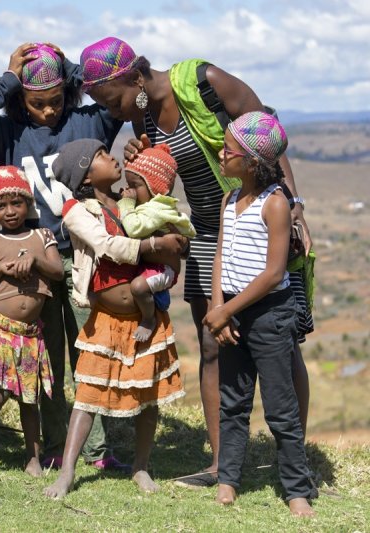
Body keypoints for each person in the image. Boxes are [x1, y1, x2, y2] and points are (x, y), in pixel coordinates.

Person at [79, 36, 314, 485]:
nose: (113, 113)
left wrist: (292, 201)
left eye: (112, 101)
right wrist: (141, 161)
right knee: (212, 343)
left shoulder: (204, 82)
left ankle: (295, 464)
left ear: (132, 78)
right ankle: (221, 465)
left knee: (282, 346)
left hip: (261, 219)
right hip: (208, 228)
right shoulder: (142, 116)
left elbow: (267, 131)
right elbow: (156, 181)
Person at [0, 41, 128, 472]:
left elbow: (135, 101)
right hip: (31, 265)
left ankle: (95, 449)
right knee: (47, 357)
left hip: (84, 259)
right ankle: (55, 444)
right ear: (21, 99)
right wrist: (8, 78)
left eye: (56, 101)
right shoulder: (10, 134)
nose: (49, 111)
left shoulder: (88, 122)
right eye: (37, 104)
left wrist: (73, 71)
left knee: (89, 353)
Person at [43, 139, 187, 498]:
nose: (112, 157)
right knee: (88, 395)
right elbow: (107, 245)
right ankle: (67, 472)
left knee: (147, 395)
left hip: (144, 314)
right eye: (102, 156)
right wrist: (154, 246)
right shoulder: (77, 211)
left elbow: (161, 213)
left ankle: (141, 466)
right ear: (87, 175)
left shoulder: (130, 201)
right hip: (106, 318)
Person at [203, 112, 315, 517]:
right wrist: (218, 306)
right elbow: (220, 255)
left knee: (280, 406)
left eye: (227, 150)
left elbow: (273, 274)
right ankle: (229, 480)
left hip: (268, 314)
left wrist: (226, 310)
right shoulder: (228, 199)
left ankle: (297, 489)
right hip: (231, 311)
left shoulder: (276, 204)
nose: (220, 153)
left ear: (250, 162)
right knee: (233, 401)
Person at [0, 166, 63, 477]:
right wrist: (1, 271)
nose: (9, 211)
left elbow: (58, 272)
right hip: (0, 329)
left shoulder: (42, 236)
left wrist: (35, 261)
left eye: (16, 203)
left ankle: (32, 458)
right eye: (0, 205)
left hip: (30, 334)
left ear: (28, 203)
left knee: (28, 397)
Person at [117, 142, 196, 341]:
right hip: (154, 266)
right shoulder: (152, 205)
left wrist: (126, 205)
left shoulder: (156, 209)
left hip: (163, 269)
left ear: (154, 186)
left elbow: (134, 229)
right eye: (129, 185)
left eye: (136, 185)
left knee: (138, 287)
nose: (131, 191)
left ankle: (148, 319)